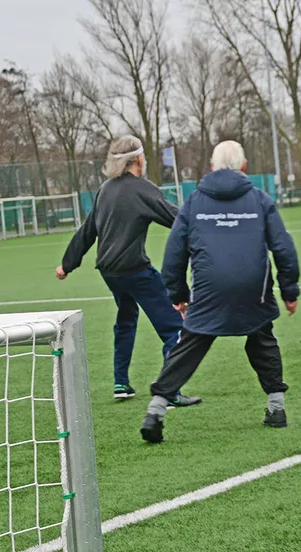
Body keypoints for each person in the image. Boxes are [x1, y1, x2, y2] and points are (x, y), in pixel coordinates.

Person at [140, 141, 300, 444]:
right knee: (261, 339)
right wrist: (289, 289)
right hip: (254, 287)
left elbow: (174, 253)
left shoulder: (194, 203)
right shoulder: (260, 199)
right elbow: (283, 247)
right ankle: (276, 408)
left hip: (209, 288)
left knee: (190, 345)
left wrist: (177, 294)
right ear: (243, 166)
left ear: (212, 166)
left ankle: (155, 411)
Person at [56, 135, 201, 407]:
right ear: (138, 160)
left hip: (110, 272)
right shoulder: (142, 189)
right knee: (173, 327)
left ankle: (120, 382)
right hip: (134, 270)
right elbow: (178, 220)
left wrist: (67, 264)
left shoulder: (105, 189)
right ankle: (170, 392)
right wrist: (205, 227)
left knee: (126, 318)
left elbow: (87, 232)